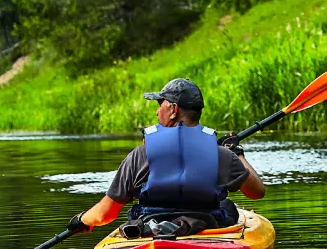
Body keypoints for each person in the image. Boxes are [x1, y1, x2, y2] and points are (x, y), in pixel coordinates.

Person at [67, 78, 265, 235]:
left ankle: (163, 230)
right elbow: (257, 191)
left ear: (173, 109)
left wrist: (82, 219)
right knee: (227, 206)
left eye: (160, 103)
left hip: (150, 228)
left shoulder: (140, 155)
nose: (156, 111)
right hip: (205, 227)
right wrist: (236, 153)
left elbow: (105, 214)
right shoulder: (220, 154)